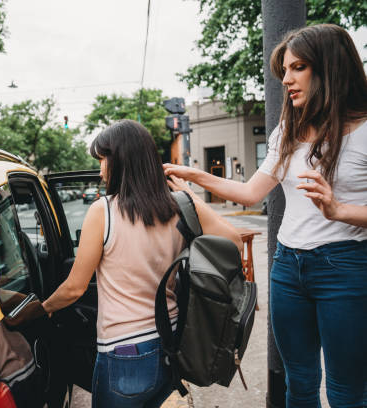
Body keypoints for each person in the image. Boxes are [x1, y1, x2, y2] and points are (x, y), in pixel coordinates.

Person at [164, 24, 367, 408]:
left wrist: (338, 210)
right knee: (299, 384)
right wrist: (195, 177)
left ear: (330, 68)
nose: (286, 80)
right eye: (285, 71)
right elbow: (250, 192)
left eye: (298, 68)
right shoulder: (289, 129)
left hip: (346, 268)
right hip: (289, 267)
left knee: (346, 392)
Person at [41, 119, 241, 407]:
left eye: (103, 160)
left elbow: (74, 288)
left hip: (123, 353)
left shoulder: (103, 212)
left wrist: (43, 309)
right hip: (170, 341)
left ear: (121, 160)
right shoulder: (179, 205)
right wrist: (190, 196)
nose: (100, 170)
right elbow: (233, 241)